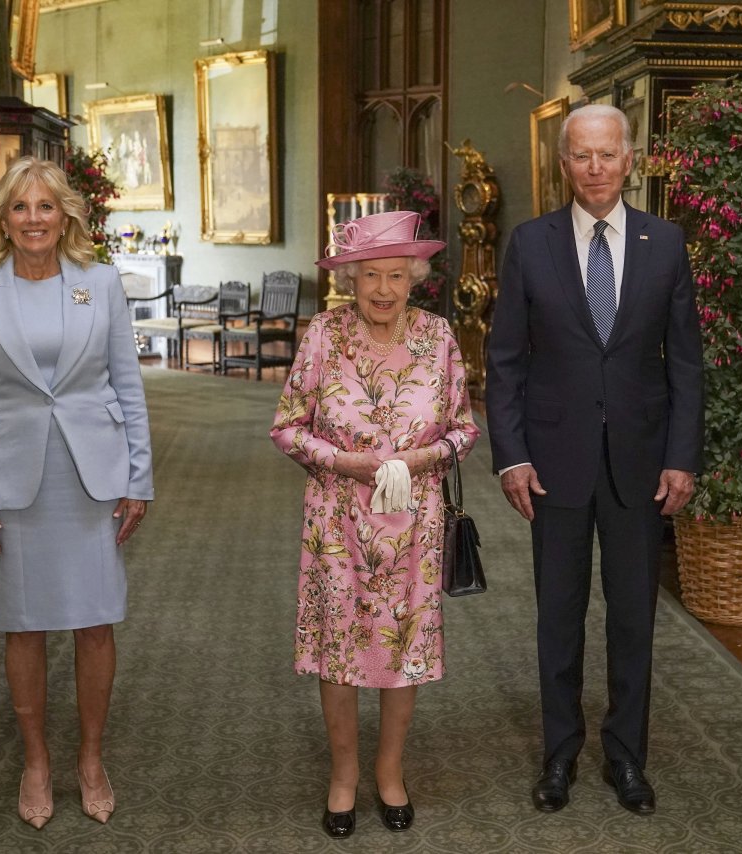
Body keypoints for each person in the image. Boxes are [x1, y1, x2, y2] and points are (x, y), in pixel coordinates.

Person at [485, 104, 703, 816]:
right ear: (563, 162)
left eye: (608, 154)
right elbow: (506, 360)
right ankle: (558, 757)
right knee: (559, 618)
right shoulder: (530, 243)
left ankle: (626, 759)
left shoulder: (665, 243)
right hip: (554, 463)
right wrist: (511, 457)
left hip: (643, 466)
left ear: (630, 158)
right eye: (582, 156)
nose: (597, 168)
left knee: (635, 620)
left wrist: (682, 457)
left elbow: (687, 367)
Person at [0, 156, 153, 829]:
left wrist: (138, 477)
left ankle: (90, 758)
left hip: (92, 476)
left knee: (95, 620)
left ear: (65, 213)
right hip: (12, 481)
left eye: (44, 206)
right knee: (24, 624)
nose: (33, 219)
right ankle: (36, 760)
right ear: (2, 219)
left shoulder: (100, 283)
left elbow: (128, 385)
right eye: (19, 207)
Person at [271, 211, 480, 838]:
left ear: (414, 277)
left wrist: (419, 459)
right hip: (337, 521)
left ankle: (390, 771)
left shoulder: (438, 337)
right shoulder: (322, 335)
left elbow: (465, 429)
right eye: (370, 277)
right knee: (341, 651)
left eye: (395, 275)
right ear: (351, 280)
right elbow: (286, 426)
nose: (383, 289)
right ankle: (343, 776)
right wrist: (345, 461)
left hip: (414, 522)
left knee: (403, 648)